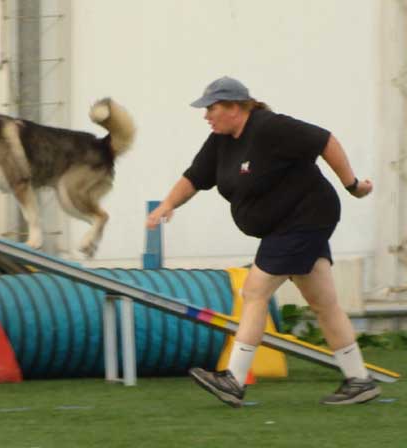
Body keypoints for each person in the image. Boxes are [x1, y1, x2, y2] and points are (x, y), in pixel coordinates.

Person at [146, 76, 378, 408]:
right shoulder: (221, 141)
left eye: (212, 108)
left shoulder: (271, 128)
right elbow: (195, 177)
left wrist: (352, 185)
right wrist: (167, 205)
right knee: (323, 302)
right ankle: (360, 380)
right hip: (285, 227)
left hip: (304, 218)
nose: (206, 116)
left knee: (254, 291)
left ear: (236, 107)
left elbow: (326, 140)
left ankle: (234, 380)